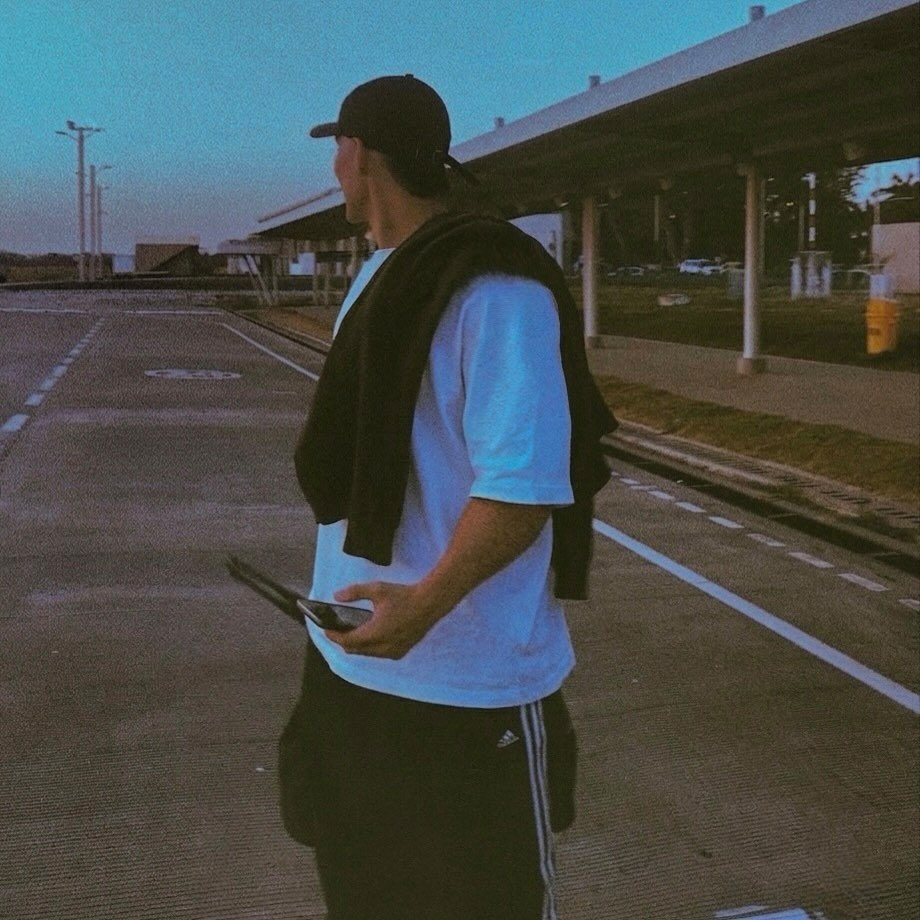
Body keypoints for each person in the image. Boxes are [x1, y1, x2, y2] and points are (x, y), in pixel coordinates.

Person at [292, 74, 615, 920]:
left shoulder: (498, 291)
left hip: (470, 691)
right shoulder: (380, 278)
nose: (335, 168)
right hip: (354, 669)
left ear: (359, 155)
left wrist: (424, 607)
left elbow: (522, 491)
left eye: (337, 149)